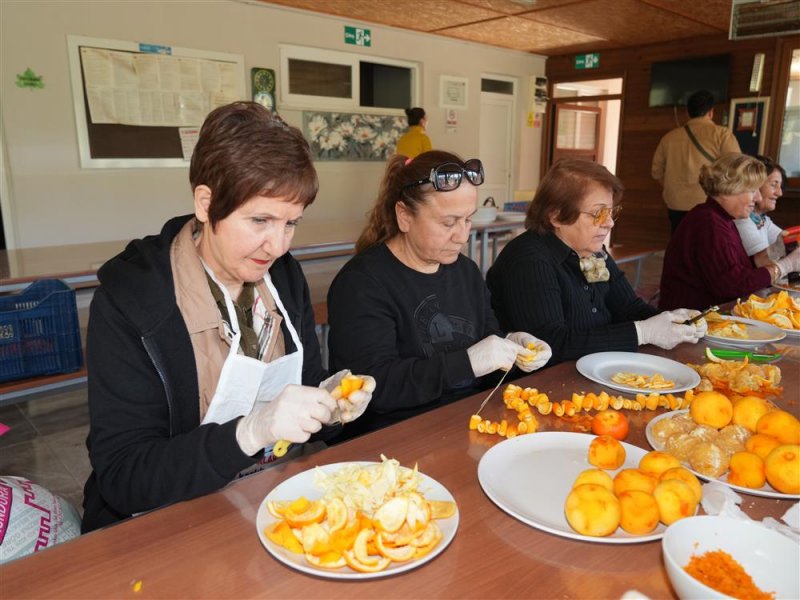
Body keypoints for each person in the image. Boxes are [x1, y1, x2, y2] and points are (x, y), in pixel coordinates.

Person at [82, 102, 375, 532]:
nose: (277, 246)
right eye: (260, 220)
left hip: (265, 499)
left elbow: (306, 379)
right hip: (164, 523)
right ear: (206, 203)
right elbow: (125, 477)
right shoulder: (131, 304)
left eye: (291, 223)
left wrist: (330, 402)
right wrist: (249, 432)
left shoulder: (282, 278)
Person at [326, 151, 551, 438]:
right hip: (394, 438)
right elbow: (375, 387)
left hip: (465, 421)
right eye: (448, 223)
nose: (463, 236)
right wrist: (467, 363)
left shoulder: (466, 272)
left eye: (468, 220)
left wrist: (512, 349)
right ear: (404, 216)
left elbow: (485, 343)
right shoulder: (362, 284)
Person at [487, 159, 705, 366]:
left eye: (611, 212)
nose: (609, 223)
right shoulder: (528, 259)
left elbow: (628, 307)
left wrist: (675, 322)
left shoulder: (592, 250)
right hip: (541, 385)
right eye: (598, 213)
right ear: (556, 216)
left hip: (594, 366)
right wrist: (642, 332)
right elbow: (552, 343)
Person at [659, 153, 800, 311]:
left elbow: (736, 269)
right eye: (753, 190)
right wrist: (785, 266)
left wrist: (772, 252)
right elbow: (733, 285)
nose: (758, 197)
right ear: (731, 188)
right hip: (690, 322)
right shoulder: (709, 223)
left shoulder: (719, 218)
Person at [651, 90, 741, 233]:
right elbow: (737, 168)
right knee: (706, 246)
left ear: (688, 112)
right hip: (708, 202)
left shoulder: (669, 137)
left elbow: (656, 171)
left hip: (675, 202)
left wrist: (672, 185)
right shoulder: (721, 134)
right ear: (711, 112)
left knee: (679, 244)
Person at [734, 156, 789, 266]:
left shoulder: (761, 219)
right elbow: (763, 261)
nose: (780, 193)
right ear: (754, 185)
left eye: (780, 186)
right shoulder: (742, 219)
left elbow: (787, 240)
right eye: (774, 184)